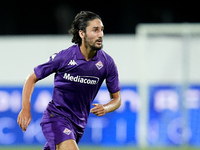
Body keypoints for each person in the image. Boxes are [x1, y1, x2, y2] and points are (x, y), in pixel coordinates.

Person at [17, 11, 121, 150]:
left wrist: (106, 108)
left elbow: (117, 99)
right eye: (95, 30)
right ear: (82, 33)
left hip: (79, 124)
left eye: (101, 30)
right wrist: (25, 109)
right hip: (56, 117)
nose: (100, 35)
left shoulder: (107, 63)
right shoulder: (65, 57)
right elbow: (31, 78)